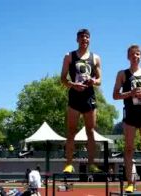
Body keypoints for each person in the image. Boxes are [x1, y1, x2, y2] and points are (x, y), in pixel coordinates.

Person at [113, 44, 141, 193]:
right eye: (132, 54)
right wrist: (130, 93)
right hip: (130, 114)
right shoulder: (122, 74)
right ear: (128, 57)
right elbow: (115, 95)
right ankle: (130, 182)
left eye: (137, 54)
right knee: (129, 149)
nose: (135, 56)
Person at [60, 28, 102, 173]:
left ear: (89, 40)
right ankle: (69, 164)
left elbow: (100, 80)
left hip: (89, 96)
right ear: (77, 39)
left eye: (87, 37)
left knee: (91, 131)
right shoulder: (69, 56)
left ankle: (91, 163)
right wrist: (73, 84)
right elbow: (62, 79)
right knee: (71, 131)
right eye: (82, 37)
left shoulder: (96, 57)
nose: (85, 39)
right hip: (75, 96)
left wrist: (93, 81)